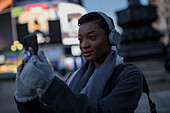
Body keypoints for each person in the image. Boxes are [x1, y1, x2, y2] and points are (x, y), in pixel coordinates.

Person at [14, 12, 143, 113]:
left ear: (112, 38)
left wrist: (51, 84)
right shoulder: (74, 77)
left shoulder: (129, 75)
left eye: (92, 37)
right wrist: (26, 98)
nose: (84, 45)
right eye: (80, 40)